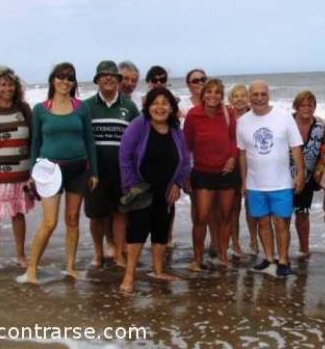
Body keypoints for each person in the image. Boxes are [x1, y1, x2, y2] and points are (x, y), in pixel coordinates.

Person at [19, 62, 98, 283]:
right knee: (50, 222)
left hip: (79, 169)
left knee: (72, 219)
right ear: (53, 80)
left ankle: (70, 268)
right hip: (49, 171)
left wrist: (95, 172)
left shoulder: (81, 108)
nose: (65, 81)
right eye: (61, 77)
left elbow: (89, 141)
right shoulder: (40, 109)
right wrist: (30, 173)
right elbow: (35, 142)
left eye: (70, 78)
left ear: (74, 83)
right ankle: (31, 270)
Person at [119, 87, 190, 293]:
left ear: (171, 107)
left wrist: (177, 183)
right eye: (155, 103)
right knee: (138, 231)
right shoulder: (139, 125)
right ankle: (129, 275)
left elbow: (185, 160)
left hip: (166, 189)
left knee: (161, 230)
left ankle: (157, 270)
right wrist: (132, 185)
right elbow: (125, 155)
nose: (160, 107)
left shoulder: (176, 130)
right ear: (148, 106)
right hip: (141, 188)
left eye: (165, 103)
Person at [237, 80, 304, 277]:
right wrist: (243, 181)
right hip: (255, 183)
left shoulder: (283, 117)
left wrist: (300, 174)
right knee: (262, 223)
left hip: (281, 182)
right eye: (255, 94)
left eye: (262, 94)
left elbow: (296, 147)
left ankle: (283, 259)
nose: (259, 98)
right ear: (250, 97)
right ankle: (268, 257)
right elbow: (242, 154)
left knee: (281, 223)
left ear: (268, 95)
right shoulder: (242, 122)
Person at [84, 61, 139, 267]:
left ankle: (118, 254)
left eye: (112, 76)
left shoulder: (129, 106)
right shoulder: (86, 106)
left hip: (121, 172)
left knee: (120, 213)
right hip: (95, 172)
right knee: (96, 216)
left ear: (118, 80)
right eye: (103, 75)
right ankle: (98, 253)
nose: (108, 78)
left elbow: (138, 139)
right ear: (97, 80)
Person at [184, 79, 237, 269]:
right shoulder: (193, 115)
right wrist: (185, 174)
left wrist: (232, 158)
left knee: (225, 216)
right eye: (209, 92)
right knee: (201, 216)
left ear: (222, 96)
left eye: (217, 92)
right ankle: (197, 259)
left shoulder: (228, 113)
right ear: (203, 94)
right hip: (202, 172)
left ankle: (223, 256)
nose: (212, 96)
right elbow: (186, 145)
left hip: (225, 173)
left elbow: (233, 139)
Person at [0, 66, 34, 267]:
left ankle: (21, 256)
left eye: (11, 84)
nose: (7, 88)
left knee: (18, 215)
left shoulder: (23, 109)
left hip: (21, 175)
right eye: (3, 84)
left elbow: (34, 139)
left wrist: (33, 171)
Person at [291, 90, 325, 258]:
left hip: (307, 178)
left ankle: (304, 249)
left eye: (310, 105)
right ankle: (282, 252)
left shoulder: (319, 126)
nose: (306, 108)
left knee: (302, 213)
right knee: (282, 215)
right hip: (284, 176)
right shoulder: (286, 122)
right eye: (302, 105)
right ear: (296, 107)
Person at [227, 84, 257, 257]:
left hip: (252, 166)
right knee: (234, 208)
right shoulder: (227, 116)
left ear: (248, 99)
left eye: (242, 96)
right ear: (230, 100)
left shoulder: (254, 116)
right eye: (235, 96)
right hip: (232, 166)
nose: (239, 99)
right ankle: (236, 243)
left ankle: (254, 240)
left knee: (251, 207)